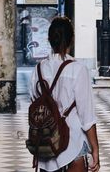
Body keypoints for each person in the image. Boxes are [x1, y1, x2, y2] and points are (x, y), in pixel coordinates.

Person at [29, 16, 100, 172]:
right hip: (72, 144)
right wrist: (95, 149)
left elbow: (35, 103)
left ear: (49, 39)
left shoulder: (39, 70)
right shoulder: (78, 69)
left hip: (46, 145)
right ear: (71, 40)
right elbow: (86, 116)